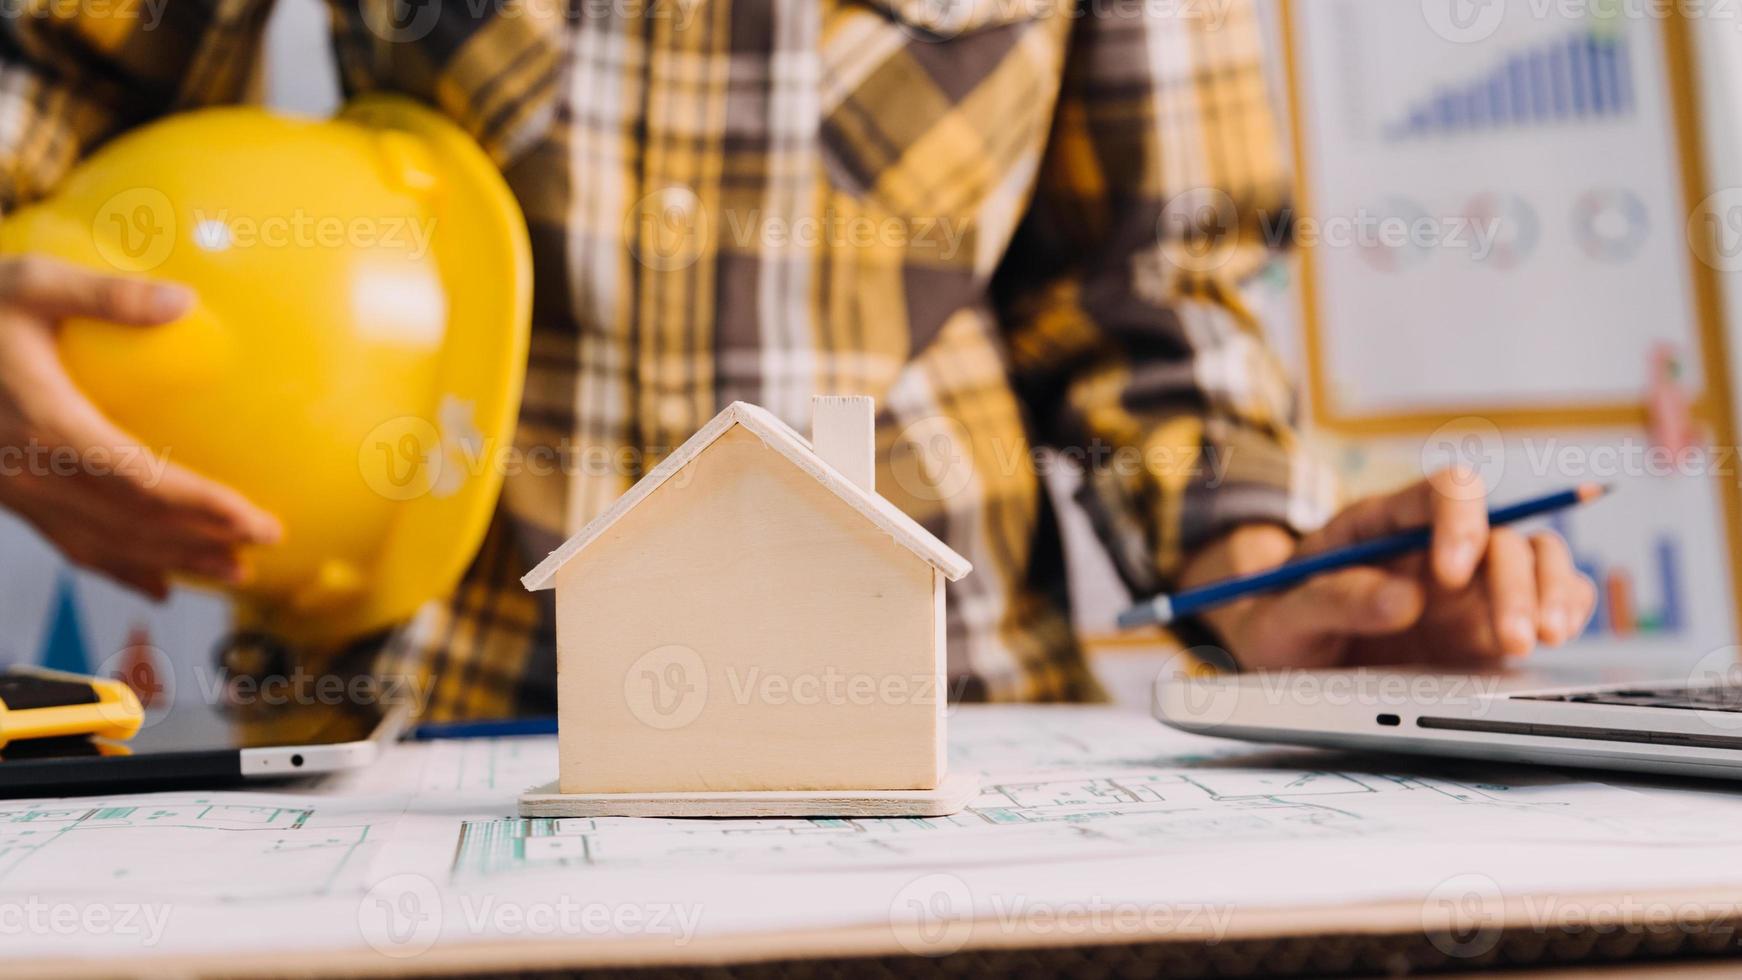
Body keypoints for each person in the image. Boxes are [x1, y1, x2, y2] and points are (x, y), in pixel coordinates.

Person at [0, 0, 1595, 720]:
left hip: (945, 735)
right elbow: (49, 93)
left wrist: (1265, 573)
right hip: (425, 729)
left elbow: (1148, 287)